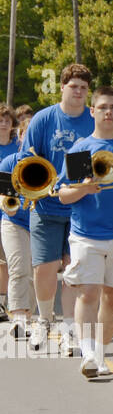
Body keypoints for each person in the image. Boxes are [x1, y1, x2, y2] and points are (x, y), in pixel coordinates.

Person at [56, 86, 113, 378]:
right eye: (103, 107)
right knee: (89, 292)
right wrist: (84, 187)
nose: (109, 112)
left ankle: (101, 350)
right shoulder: (82, 147)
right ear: (92, 111)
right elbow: (64, 195)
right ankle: (89, 352)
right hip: (86, 233)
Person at [24, 64, 95, 355]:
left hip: (79, 207)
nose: (78, 92)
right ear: (63, 87)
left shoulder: (91, 120)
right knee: (43, 268)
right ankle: (43, 319)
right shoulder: (44, 119)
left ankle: (68, 329)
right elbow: (29, 158)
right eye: (73, 86)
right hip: (45, 204)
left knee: (71, 270)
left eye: (83, 87)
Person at [0, 145, 35, 341]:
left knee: (33, 272)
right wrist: (8, 204)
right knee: (18, 268)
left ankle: (29, 315)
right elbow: (3, 197)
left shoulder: (49, 161)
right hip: (13, 221)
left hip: (41, 221)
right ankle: (19, 317)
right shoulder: (9, 162)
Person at [0, 104, 19, 323]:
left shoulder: (18, 146)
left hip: (11, 211)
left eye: (7, 120)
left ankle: (3, 302)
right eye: (0, 120)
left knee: (5, 262)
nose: (4, 123)